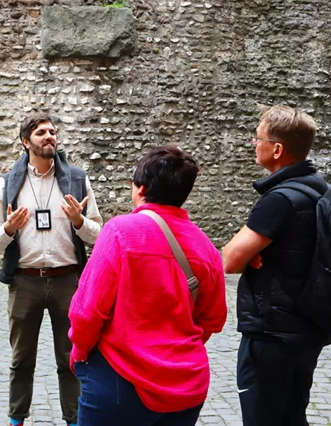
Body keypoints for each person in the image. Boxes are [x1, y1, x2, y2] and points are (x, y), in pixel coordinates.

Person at [68, 145, 228, 425]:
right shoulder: (206, 248)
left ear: (140, 188)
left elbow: (87, 311)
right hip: (187, 385)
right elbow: (213, 319)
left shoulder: (120, 232)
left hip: (118, 380)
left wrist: (80, 355)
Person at [0, 113, 103, 426]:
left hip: (68, 281)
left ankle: (75, 419)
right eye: (41, 133)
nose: (49, 136)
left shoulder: (77, 180)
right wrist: (8, 228)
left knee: (72, 357)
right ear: (26, 142)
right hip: (25, 281)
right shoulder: (7, 184)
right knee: (22, 359)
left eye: (52, 132)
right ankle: (16, 419)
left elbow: (99, 234)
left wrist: (79, 220)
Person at [222, 104, 331, 426]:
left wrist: (253, 255)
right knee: (291, 414)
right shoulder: (321, 189)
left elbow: (229, 259)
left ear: (277, 148)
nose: (253, 144)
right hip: (308, 326)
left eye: (258, 138)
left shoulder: (279, 199)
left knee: (263, 418)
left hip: (273, 331)